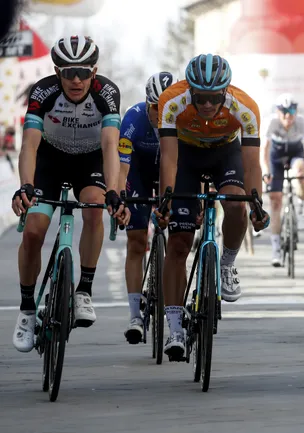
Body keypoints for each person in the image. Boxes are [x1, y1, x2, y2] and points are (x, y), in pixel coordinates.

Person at [11, 36, 129, 353]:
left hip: (88, 161)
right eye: (67, 72)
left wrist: (115, 192)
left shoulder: (107, 93)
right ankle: (25, 310)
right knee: (34, 232)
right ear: (56, 72)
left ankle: (84, 291)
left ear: (95, 71)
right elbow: (30, 146)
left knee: (94, 208)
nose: (76, 80)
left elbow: (109, 147)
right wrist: (25, 185)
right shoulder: (43, 92)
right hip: (49, 161)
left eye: (83, 72)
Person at [155, 54, 269, 359]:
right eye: (200, 97)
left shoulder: (245, 106)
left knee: (236, 205)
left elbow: (252, 164)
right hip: (185, 156)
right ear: (190, 89)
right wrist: (166, 196)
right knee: (178, 244)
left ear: (226, 91)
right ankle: (175, 328)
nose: (206, 104)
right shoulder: (172, 100)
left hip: (225, 153)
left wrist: (256, 201)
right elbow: (168, 158)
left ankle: (228, 264)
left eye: (214, 98)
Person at [119, 71, 175, 344]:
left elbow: (189, 164)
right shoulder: (133, 117)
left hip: (171, 173)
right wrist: (119, 196)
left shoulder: (183, 118)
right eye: (156, 108)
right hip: (138, 174)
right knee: (136, 240)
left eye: (166, 107)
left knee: (179, 239)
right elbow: (123, 164)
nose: (160, 113)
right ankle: (134, 316)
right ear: (147, 103)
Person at [262, 93, 304, 266]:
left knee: (300, 170)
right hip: (276, 156)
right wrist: (266, 171)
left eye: (291, 111)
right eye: (283, 111)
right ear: (277, 112)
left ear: (296, 111)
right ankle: (276, 248)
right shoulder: (271, 122)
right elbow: (265, 149)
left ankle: (299, 210)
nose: (287, 116)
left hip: (295, 153)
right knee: (275, 201)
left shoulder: (302, 122)